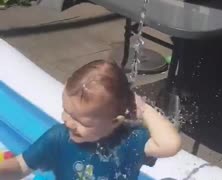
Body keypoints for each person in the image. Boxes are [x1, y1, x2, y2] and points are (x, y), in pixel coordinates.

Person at [0, 60, 181, 180]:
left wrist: (143, 109)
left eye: (82, 122)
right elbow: (20, 166)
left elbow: (170, 145)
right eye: (66, 111)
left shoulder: (130, 140)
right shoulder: (59, 138)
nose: (69, 122)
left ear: (115, 121)